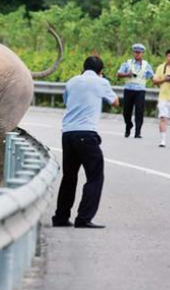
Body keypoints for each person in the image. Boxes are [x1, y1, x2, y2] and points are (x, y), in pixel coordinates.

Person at [52, 56, 119, 229]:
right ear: (100, 71)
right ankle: (83, 218)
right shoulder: (100, 82)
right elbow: (115, 102)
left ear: (83, 68)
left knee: (69, 176)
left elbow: (66, 101)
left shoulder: (72, 81)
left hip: (67, 134)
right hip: (87, 134)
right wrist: (103, 82)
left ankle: (60, 217)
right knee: (95, 176)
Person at [117, 43, 154, 138]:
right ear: (133, 53)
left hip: (140, 91)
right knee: (126, 111)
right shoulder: (127, 63)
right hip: (128, 90)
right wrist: (127, 74)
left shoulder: (146, 65)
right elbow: (118, 74)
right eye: (136, 52)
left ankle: (138, 132)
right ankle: (128, 125)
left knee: (139, 111)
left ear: (142, 53)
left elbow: (152, 77)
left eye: (139, 52)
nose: (137, 54)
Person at [152, 49, 170, 147]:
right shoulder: (161, 67)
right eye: (169, 56)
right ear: (166, 57)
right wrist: (164, 79)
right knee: (163, 117)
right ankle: (162, 140)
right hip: (163, 97)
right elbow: (154, 81)